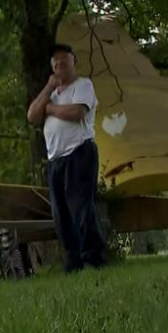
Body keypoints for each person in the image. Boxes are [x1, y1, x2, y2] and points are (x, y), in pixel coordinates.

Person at [26, 43, 107, 273]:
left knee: (81, 206)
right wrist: (47, 89)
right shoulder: (50, 94)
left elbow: (76, 113)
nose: (60, 66)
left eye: (64, 61)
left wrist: (50, 110)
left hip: (79, 151)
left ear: (74, 61)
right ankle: (74, 259)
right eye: (55, 63)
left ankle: (94, 257)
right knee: (60, 213)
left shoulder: (83, 85)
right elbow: (32, 115)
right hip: (56, 159)